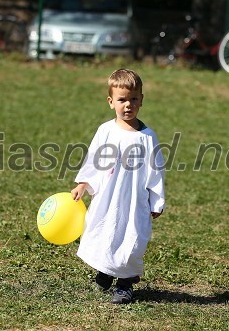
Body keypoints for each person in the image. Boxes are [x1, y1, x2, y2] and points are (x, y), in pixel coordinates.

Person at [70, 68, 165, 304]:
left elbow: (156, 170)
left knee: (132, 239)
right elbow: (93, 159)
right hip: (108, 196)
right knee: (105, 231)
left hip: (135, 200)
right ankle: (105, 270)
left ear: (141, 100)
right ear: (111, 102)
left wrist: (157, 200)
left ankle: (125, 284)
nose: (128, 105)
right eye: (122, 100)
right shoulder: (105, 131)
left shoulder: (147, 137)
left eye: (134, 99)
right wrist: (83, 184)